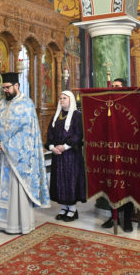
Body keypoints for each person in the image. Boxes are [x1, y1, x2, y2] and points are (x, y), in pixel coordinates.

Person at [0, 72, 50, 234]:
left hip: (18, 160)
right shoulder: (1, 104)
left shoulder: (27, 105)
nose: (5, 91)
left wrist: (6, 146)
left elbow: (26, 133)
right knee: (2, 190)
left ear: (17, 86)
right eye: (3, 88)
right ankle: (1, 223)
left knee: (17, 191)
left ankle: (17, 225)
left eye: (8, 88)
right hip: (2, 157)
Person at [100, 78, 134, 232]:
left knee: (127, 185)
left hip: (126, 151)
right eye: (112, 86)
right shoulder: (106, 103)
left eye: (117, 86)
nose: (114, 88)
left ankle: (127, 218)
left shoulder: (131, 103)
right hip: (110, 150)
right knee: (111, 184)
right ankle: (113, 216)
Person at [46, 91, 85, 222]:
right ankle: (63, 207)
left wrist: (65, 146)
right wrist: (52, 147)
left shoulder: (77, 115)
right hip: (58, 154)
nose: (62, 100)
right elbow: (50, 133)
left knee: (70, 180)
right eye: (60, 98)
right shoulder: (56, 115)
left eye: (64, 98)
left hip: (71, 154)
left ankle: (72, 209)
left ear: (71, 100)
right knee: (59, 181)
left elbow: (78, 134)